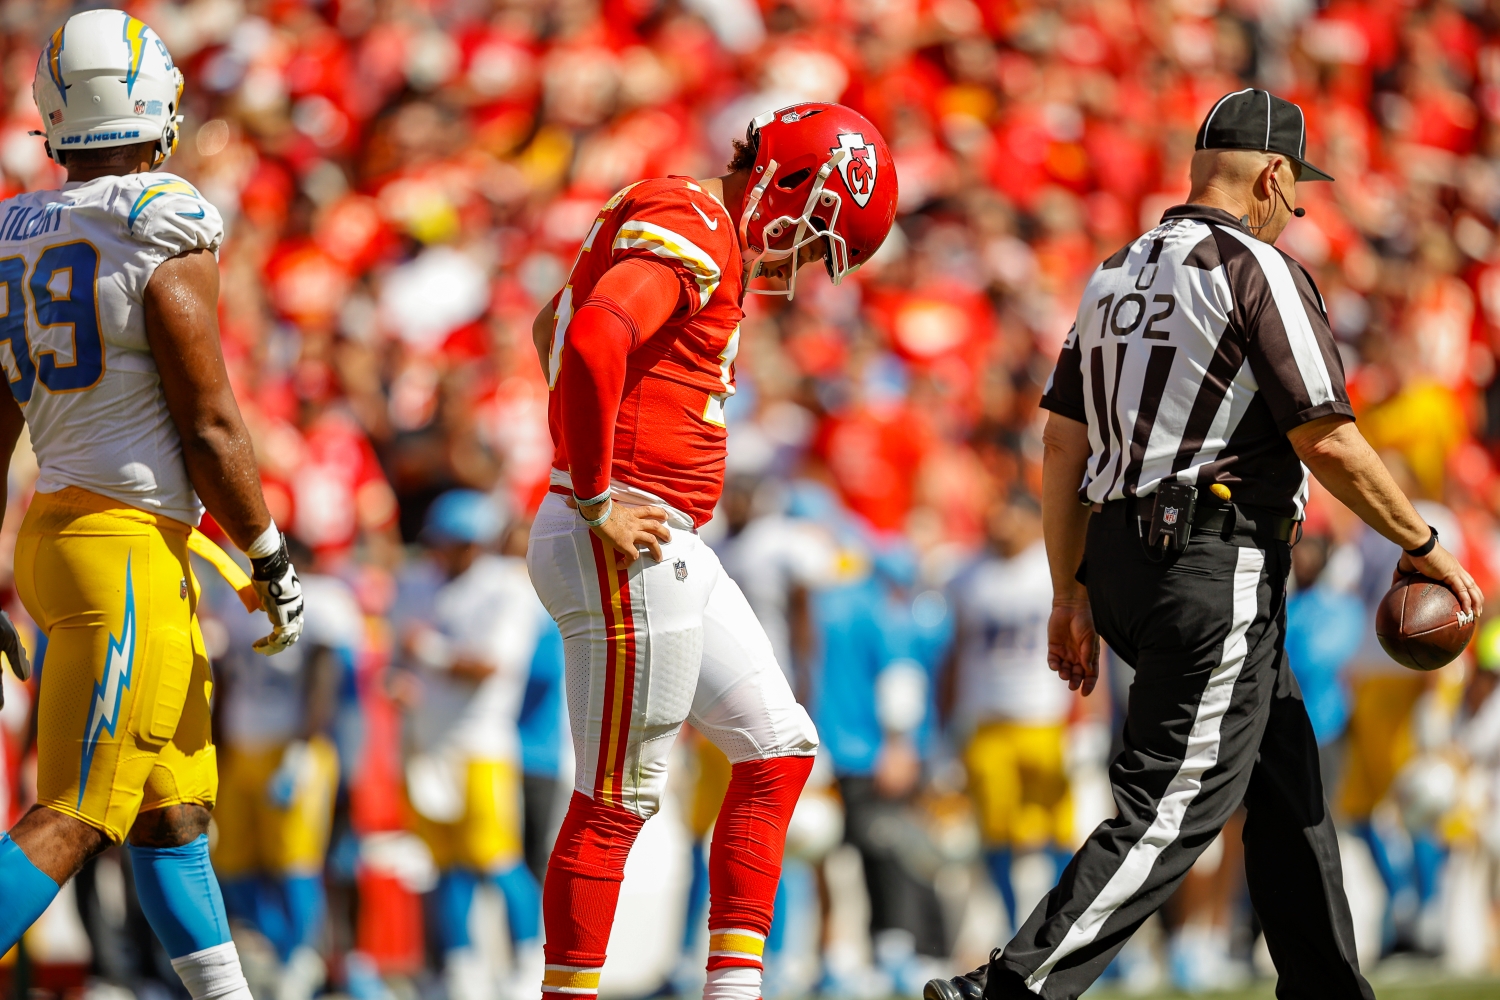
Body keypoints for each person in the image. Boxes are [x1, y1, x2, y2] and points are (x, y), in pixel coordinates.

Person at [925, 88, 1481, 1000]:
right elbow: (1326, 436)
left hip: (1121, 557)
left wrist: (1070, 590)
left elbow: (1061, 442)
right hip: (1211, 556)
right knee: (1176, 801)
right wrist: (1423, 544)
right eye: (1293, 193)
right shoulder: (1257, 267)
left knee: (1284, 773)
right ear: (1270, 176)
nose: (1294, 212)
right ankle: (1009, 988)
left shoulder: (1111, 271)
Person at [526, 103, 896, 1000]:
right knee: (617, 794)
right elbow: (588, 335)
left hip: (657, 530)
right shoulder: (693, 218)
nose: (803, 262)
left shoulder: (691, 216)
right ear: (795, 182)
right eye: (815, 239)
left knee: (778, 748)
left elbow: (551, 325)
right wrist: (597, 489)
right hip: (628, 528)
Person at [0, 11, 305, 1000]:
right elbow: (210, 420)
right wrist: (266, 551)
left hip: (62, 536)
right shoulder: (158, 217)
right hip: (124, 551)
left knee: (170, 811)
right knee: (78, 811)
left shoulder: (14, 230)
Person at [393, 490, 542, 1000]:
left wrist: (427, 654)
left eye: (449, 543)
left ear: (474, 544)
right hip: (428, 742)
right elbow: (399, 656)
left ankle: (528, 963)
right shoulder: (419, 584)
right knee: (444, 864)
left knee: (499, 862)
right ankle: (460, 966)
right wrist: (401, 678)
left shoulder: (506, 588)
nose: (439, 552)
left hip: (481, 745)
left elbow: (487, 666)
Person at [210, 537, 362, 1000]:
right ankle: (275, 950)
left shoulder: (323, 599)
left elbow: (324, 676)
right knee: (233, 860)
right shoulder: (237, 603)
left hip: (295, 747)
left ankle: (300, 956)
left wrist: (304, 748)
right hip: (241, 745)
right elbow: (228, 680)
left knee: (295, 861)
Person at [943, 491, 1073, 937]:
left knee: (1057, 830)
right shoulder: (965, 575)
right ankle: (1014, 929)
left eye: (1008, 519)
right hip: (986, 720)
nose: (999, 528)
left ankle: (1064, 927)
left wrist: (1089, 717)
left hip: (1043, 716)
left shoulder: (1051, 567)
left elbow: (1088, 643)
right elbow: (955, 653)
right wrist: (946, 724)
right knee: (995, 833)